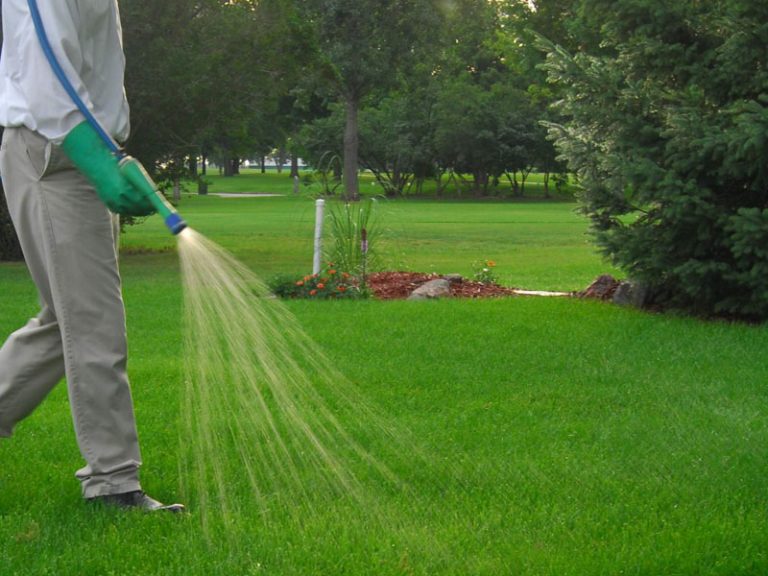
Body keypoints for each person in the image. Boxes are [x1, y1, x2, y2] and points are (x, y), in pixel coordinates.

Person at [0, 0, 183, 512]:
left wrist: (110, 155)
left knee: (67, 321)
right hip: (57, 154)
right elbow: (46, 73)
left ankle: (112, 477)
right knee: (93, 323)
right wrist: (97, 164)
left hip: (82, 151)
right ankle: (114, 483)